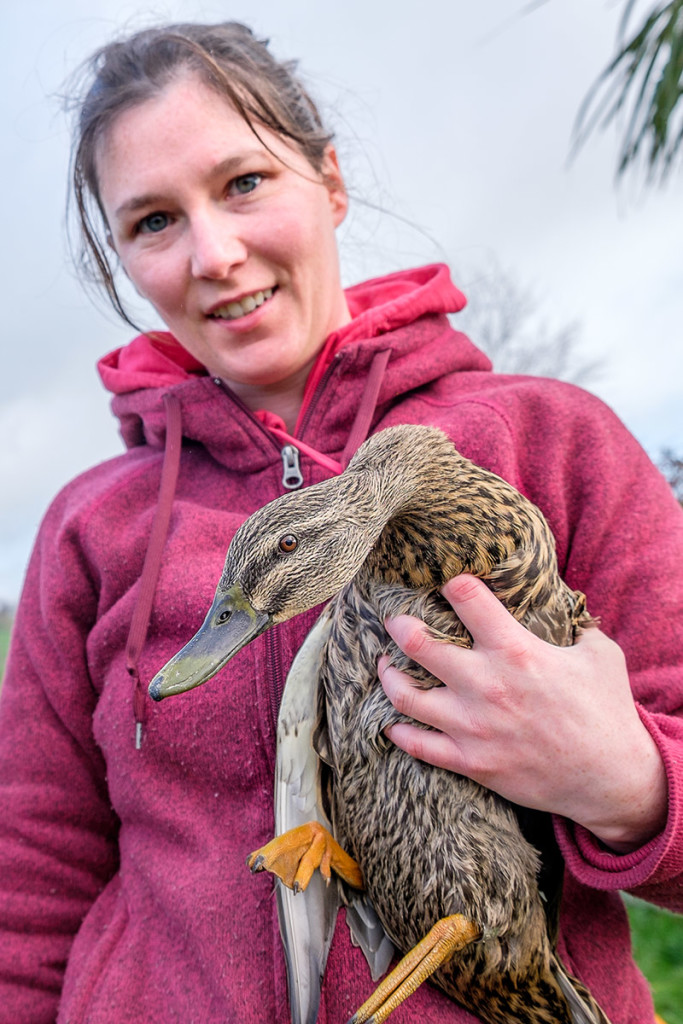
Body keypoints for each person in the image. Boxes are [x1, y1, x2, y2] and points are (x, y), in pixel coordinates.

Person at [0, 20, 681, 1024]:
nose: (214, 254)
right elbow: (34, 881)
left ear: (327, 180)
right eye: (152, 220)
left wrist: (627, 782)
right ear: (120, 254)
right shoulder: (87, 529)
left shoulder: (548, 441)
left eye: (242, 184)